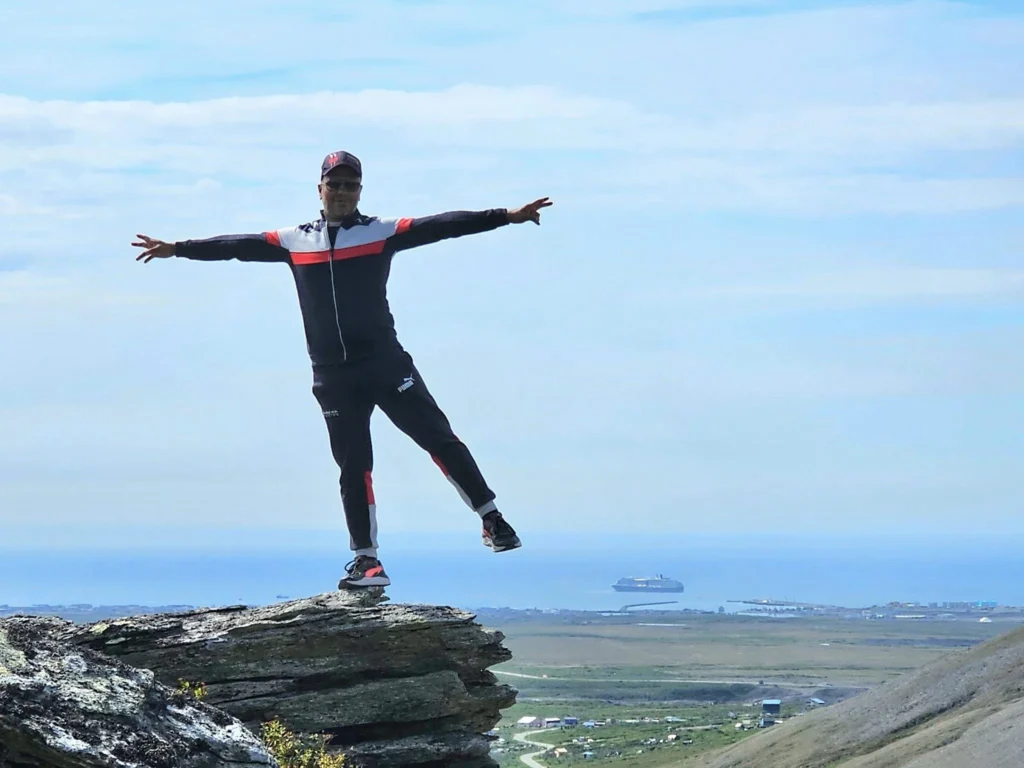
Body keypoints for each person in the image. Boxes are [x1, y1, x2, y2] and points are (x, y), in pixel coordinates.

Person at [133, 150, 552, 589]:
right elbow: (235, 247)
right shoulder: (294, 240)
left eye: (351, 185)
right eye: (335, 184)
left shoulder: (381, 232)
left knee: (438, 437)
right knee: (354, 467)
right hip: (333, 377)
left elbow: (443, 225)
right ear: (320, 189)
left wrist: (507, 216)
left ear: (360, 192)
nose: (342, 192)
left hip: (385, 363)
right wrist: (177, 249)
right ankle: (368, 562)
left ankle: (493, 521)